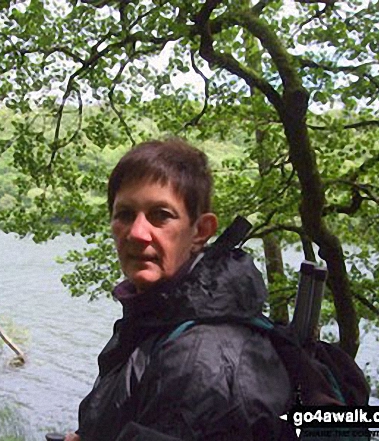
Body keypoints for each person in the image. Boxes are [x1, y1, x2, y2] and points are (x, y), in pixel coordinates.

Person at [65, 138, 296, 441]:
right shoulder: (157, 321)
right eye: (124, 214)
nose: (136, 233)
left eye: (161, 215)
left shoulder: (202, 360)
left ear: (200, 231)